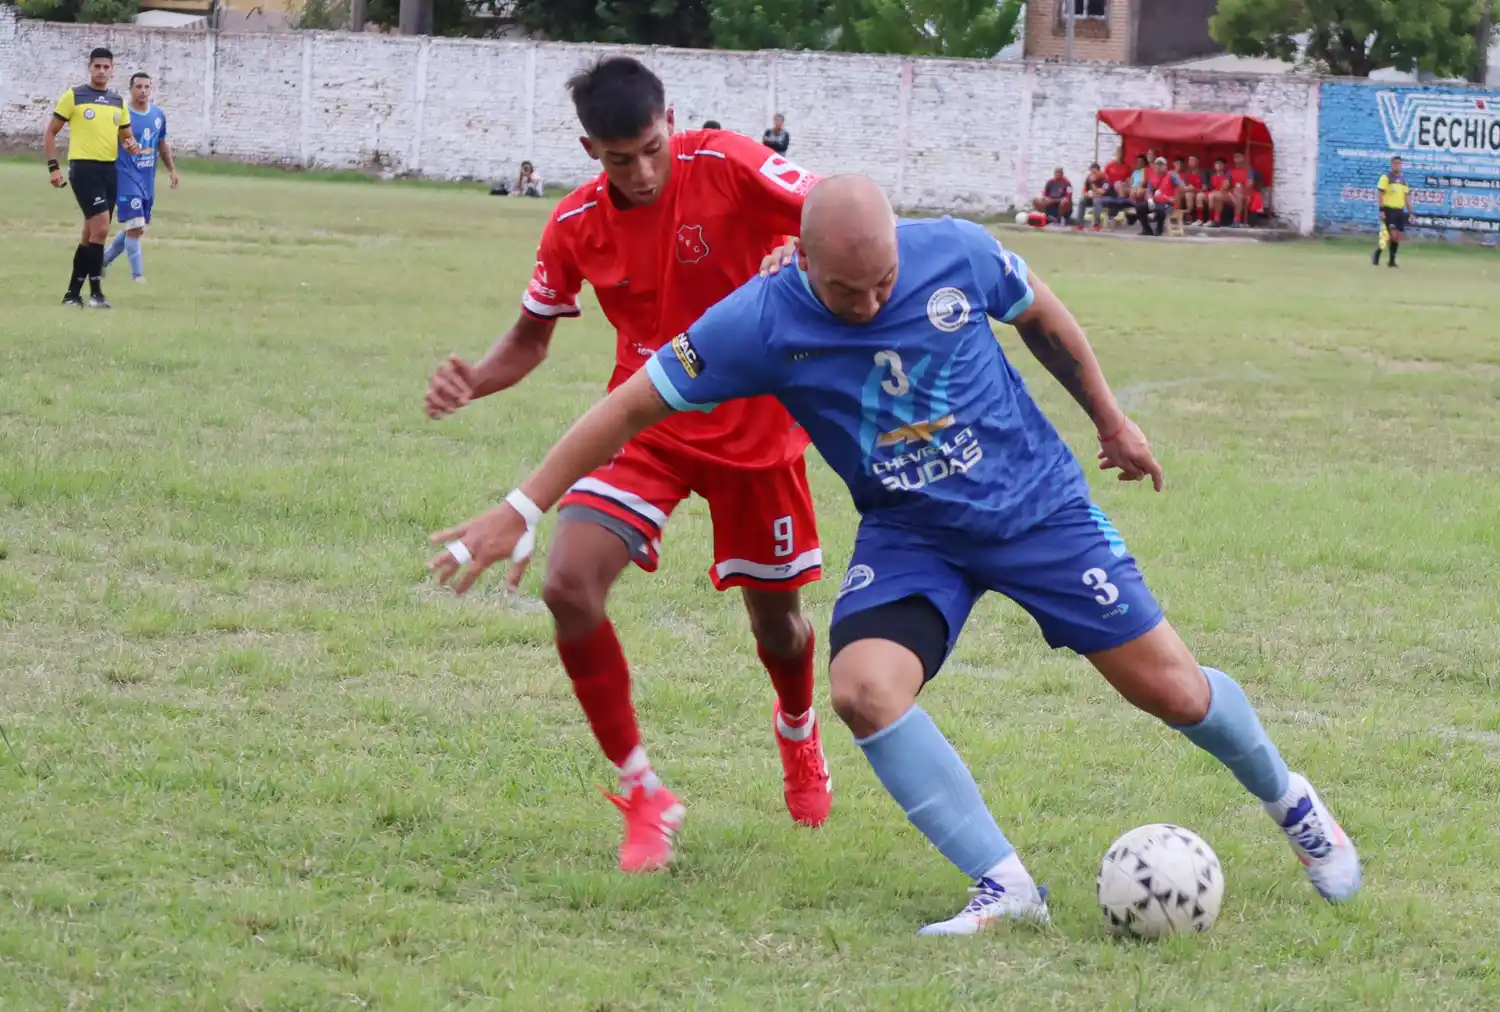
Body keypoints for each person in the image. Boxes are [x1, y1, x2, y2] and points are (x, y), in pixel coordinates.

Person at [426, 174, 1362, 936]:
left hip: (1038, 513)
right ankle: (1007, 889)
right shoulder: (759, 320)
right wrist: (521, 504)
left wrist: (1111, 421)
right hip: (913, 536)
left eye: (884, 283)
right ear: (801, 260)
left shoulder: (952, 248)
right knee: (864, 689)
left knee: (1175, 692)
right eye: (849, 292)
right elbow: (632, 404)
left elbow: (1040, 312)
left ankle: (1296, 807)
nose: (872, 303)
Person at [422, 56, 832, 874]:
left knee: (778, 625)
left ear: (670, 120)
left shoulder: (728, 160)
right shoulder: (575, 223)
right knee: (567, 584)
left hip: (758, 431)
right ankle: (643, 791)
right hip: (644, 425)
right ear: (589, 150)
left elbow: (837, 209)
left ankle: (796, 730)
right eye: (620, 159)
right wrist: (477, 379)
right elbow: (531, 339)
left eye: (652, 148)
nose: (642, 173)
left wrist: (799, 248)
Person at [43, 47, 139, 308]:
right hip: (84, 169)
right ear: (89, 67)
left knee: (91, 235)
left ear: (112, 69)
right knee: (102, 229)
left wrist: (131, 144)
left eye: (106, 67)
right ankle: (96, 294)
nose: (101, 71)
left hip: (110, 171)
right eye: (97, 66)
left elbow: (126, 135)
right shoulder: (74, 96)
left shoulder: (118, 102)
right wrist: (54, 166)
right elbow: (50, 133)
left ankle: (72, 294)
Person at [103, 72, 178, 284]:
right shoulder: (121, 114)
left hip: (147, 179)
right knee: (134, 226)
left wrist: (171, 169)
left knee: (136, 228)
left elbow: (162, 144)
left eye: (147, 87)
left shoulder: (157, 115)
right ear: (131, 89)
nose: (143, 91)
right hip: (125, 176)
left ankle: (102, 261)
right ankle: (138, 276)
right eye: (139, 87)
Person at [1374, 155, 1411, 268]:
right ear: (1391, 164)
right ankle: (1378, 253)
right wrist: (1381, 210)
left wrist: (1411, 211)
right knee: (1391, 236)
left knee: (1397, 237)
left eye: (1399, 163)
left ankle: (1391, 261)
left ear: (1401, 165)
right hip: (1389, 210)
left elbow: (1406, 197)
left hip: (1400, 211)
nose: (1397, 165)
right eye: (1395, 163)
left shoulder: (1403, 180)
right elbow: (1380, 194)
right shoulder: (1386, 178)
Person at [1074, 162, 1109, 229]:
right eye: (1091, 172)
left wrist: (1093, 184)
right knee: (1082, 200)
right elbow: (1084, 191)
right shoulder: (1088, 178)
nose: (1092, 174)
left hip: (1103, 198)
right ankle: (1080, 224)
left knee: (1097, 201)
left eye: (1094, 172)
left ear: (1099, 171)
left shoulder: (1105, 178)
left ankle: (1096, 224)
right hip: (1092, 197)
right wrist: (1088, 195)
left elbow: (1102, 192)